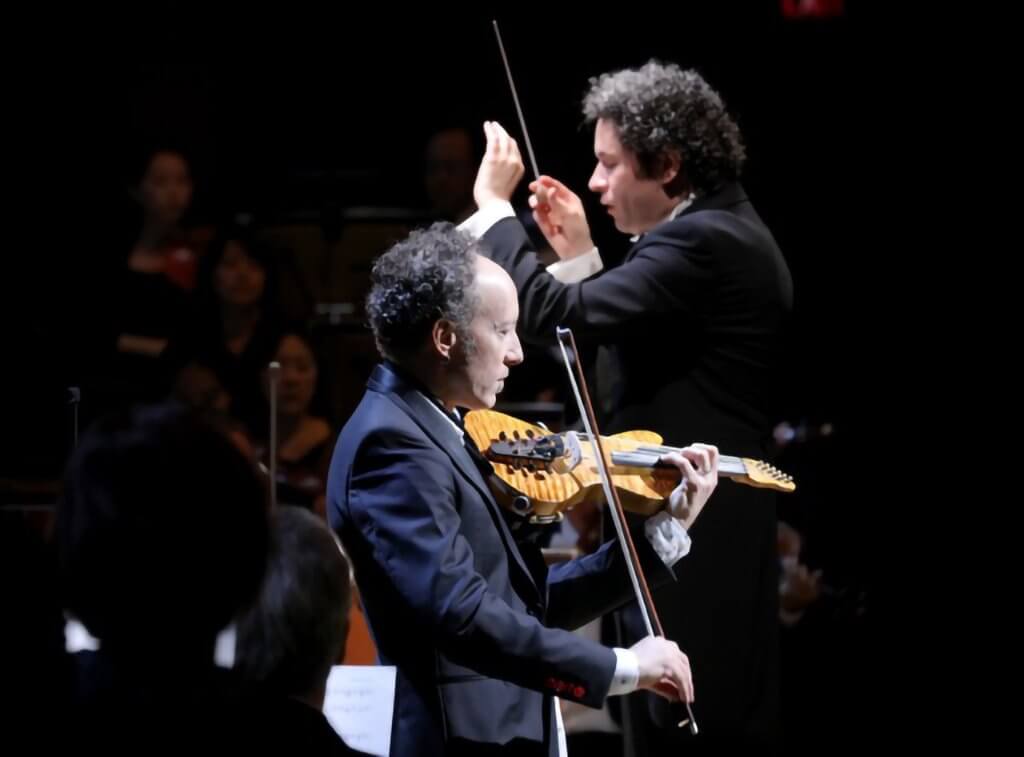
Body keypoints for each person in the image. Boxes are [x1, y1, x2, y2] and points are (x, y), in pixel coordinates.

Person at [461, 60, 793, 750]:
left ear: (667, 165)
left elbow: (549, 312)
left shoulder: (705, 241)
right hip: (678, 525)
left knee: (691, 725)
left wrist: (494, 209)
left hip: (702, 533)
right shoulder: (709, 232)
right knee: (659, 721)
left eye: (609, 164)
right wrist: (582, 257)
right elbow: (618, 362)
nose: (594, 182)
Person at [326, 222, 720, 756]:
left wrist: (663, 534)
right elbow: (464, 615)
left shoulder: (438, 428)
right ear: (445, 338)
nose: (516, 353)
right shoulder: (391, 445)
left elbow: (524, 605)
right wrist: (622, 666)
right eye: (503, 330)